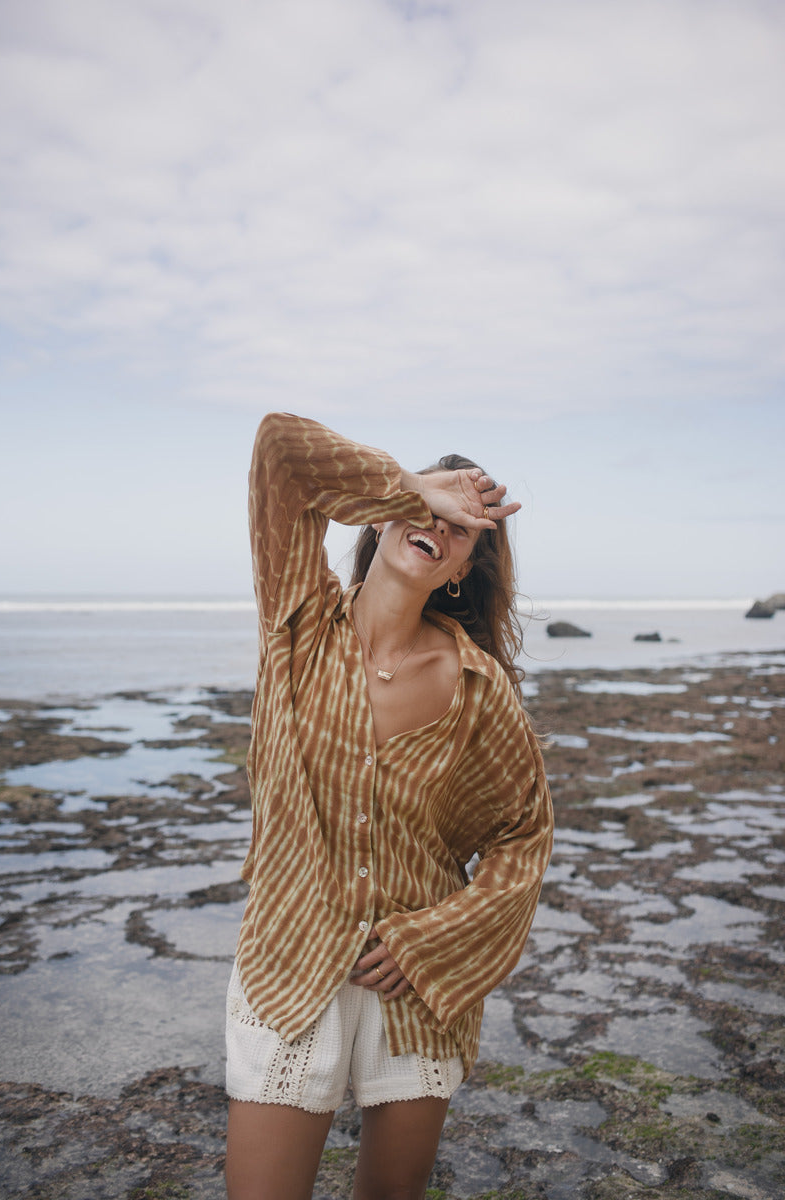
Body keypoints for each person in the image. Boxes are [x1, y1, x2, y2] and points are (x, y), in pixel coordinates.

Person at [225, 412, 554, 1200]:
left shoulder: (480, 690)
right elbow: (280, 449)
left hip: (414, 988)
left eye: (459, 528)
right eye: (424, 510)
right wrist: (411, 485)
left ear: (462, 572)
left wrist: (435, 941)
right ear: (380, 523)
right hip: (289, 959)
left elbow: (524, 832)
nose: (434, 526)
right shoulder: (298, 617)